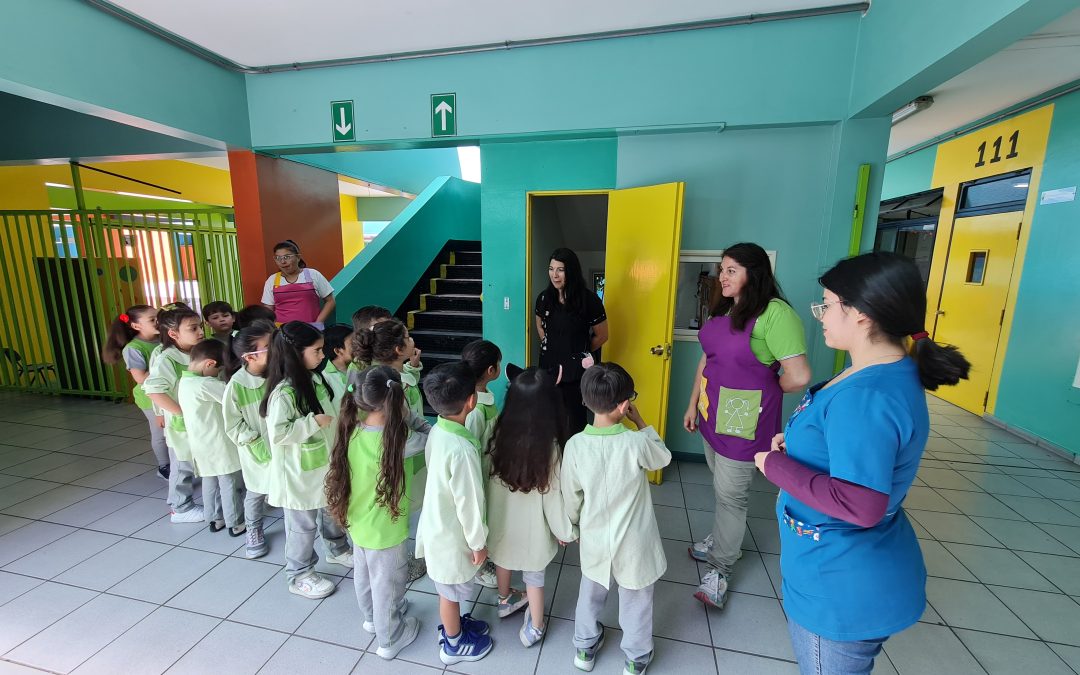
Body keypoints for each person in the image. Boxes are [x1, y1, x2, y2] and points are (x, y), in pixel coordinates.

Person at [755, 252, 969, 675]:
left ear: (863, 315)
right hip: (846, 568)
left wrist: (773, 465)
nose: (820, 315)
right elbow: (847, 446)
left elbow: (861, 504)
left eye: (827, 304)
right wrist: (796, 445)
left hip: (840, 584)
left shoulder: (866, 394)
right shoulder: (884, 371)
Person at [682, 242, 811, 610]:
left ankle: (721, 568)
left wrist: (762, 393)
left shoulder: (776, 314)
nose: (722, 276)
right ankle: (721, 537)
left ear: (754, 273)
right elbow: (707, 361)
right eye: (722, 269)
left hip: (743, 422)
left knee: (732, 495)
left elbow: (799, 375)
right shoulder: (726, 309)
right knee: (720, 484)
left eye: (731, 270)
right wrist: (693, 403)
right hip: (711, 413)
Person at [562, 362, 671, 674]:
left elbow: (571, 496)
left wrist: (570, 526)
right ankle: (636, 659)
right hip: (634, 542)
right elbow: (662, 457)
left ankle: (584, 648)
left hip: (595, 537)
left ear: (584, 400)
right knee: (636, 601)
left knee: (590, 594)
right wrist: (641, 423)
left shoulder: (575, 445)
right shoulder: (635, 443)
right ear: (625, 405)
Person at [325, 365, 429, 660]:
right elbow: (432, 436)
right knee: (389, 584)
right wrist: (409, 416)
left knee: (365, 574)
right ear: (397, 398)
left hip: (357, 520)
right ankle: (390, 638)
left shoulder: (351, 428)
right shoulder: (400, 439)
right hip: (386, 527)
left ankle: (372, 619)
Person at [261, 321, 352, 598]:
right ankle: (299, 574)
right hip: (299, 473)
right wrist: (311, 423)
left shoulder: (315, 379)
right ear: (295, 354)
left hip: (323, 464)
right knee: (303, 526)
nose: (322, 355)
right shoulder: (284, 393)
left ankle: (337, 549)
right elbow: (278, 433)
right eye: (316, 350)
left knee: (331, 510)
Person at [486, 366, 574, 648]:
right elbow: (554, 497)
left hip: (500, 522)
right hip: (533, 530)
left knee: (502, 559)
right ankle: (535, 626)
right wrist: (565, 530)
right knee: (534, 577)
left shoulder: (495, 434)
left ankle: (504, 599)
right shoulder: (550, 448)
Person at [415, 362, 494, 665]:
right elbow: (469, 503)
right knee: (449, 593)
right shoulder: (462, 449)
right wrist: (479, 542)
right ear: (472, 401)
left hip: (438, 525)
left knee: (450, 588)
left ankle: (456, 626)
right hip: (451, 536)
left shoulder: (439, 429)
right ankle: (453, 643)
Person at [354, 318, 432, 584]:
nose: (412, 341)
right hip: (396, 458)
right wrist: (430, 440)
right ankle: (400, 566)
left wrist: (414, 367)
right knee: (396, 510)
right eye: (408, 338)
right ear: (399, 349)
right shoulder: (391, 387)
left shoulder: (378, 377)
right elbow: (399, 435)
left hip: (388, 457)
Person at [534, 248, 608, 435]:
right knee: (547, 418)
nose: (554, 275)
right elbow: (540, 326)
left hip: (575, 372)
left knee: (574, 420)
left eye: (561, 270)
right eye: (551, 269)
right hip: (548, 369)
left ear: (571, 271)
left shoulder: (588, 300)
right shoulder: (544, 298)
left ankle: (574, 460)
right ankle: (551, 460)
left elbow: (602, 335)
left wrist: (578, 351)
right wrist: (551, 346)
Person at [143, 306, 205, 523]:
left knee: (197, 459)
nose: (200, 332)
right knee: (182, 463)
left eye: (200, 326)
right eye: (193, 328)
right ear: (173, 334)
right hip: (183, 424)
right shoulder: (167, 358)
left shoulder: (197, 351)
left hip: (200, 421)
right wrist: (181, 414)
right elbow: (153, 390)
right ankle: (180, 508)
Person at [178, 339, 245, 536]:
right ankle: (235, 521)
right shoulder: (206, 383)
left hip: (200, 443)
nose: (218, 375)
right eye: (218, 371)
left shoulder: (185, 381)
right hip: (218, 442)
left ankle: (215, 518)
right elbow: (233, 399)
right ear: (209, 364)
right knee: (229, 482)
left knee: (210, 482)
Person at [223, 320, 276, 558]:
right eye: (269, 346)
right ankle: (253, 529)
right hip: (257, 448)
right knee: (256, 492)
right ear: (250, 357)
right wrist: (254, 441)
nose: (276, 350)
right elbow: (233, 424)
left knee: (290, 483)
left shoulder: (279, 374)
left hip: (283, 442)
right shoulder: (237, 386)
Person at [101, 304, 169, 481]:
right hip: (150, 397)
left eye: (158, 318)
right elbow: (141, 378)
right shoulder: (134, 348)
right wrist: (167, 372)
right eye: (152, 320)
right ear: (136, 325)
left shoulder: (163, 340)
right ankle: (164, 466)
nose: (158, 322)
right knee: (159, 433)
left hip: (168, 392)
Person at [261, 240, 336, 327]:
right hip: (282, 332)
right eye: (278, 258)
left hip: (311, 330)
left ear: (298, 257)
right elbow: (268, 310)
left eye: (287, 257)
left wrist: (317, 324)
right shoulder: (272, 280)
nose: (282, 262)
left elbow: (330, 301)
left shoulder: (313, 274)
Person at [462, 339, 502, 477]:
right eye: (498, 363)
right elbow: (470, 450)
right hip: (482, 473)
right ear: (491, 370)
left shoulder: (485, 394)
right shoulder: (476, 411)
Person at [319, 323, 354, 400]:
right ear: (338, 351)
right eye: (353, 344)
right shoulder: (325, 379)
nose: (359, 346)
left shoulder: (362, 366)